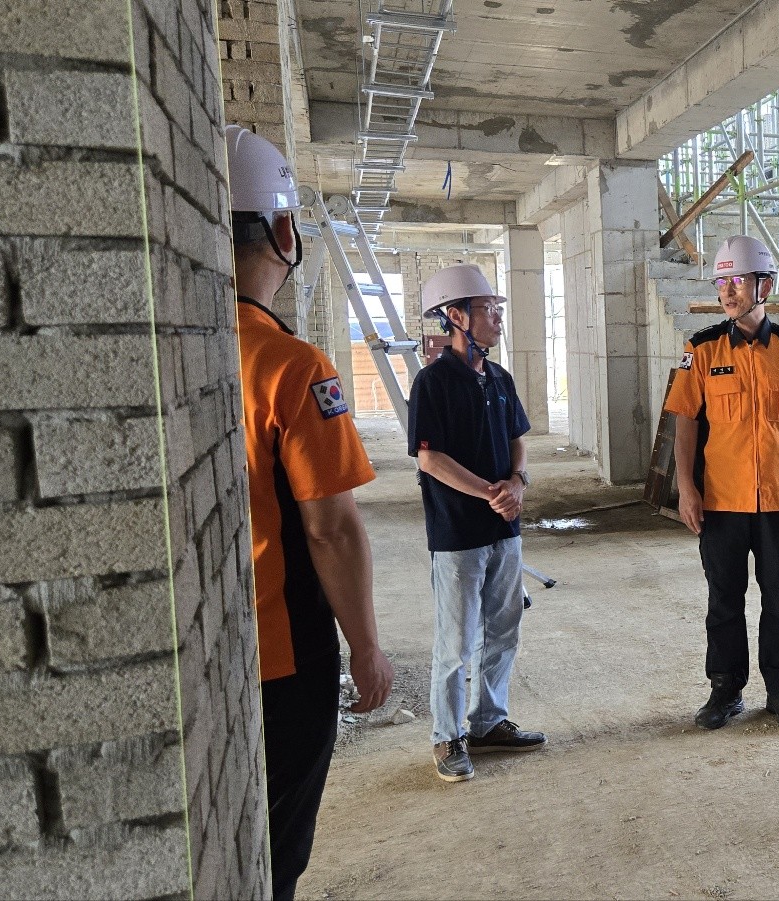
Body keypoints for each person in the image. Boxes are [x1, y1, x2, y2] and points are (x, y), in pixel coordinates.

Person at [227, 124, 393, 901]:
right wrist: (366, 645)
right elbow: (331, 528)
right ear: (284, 232)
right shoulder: (292, 366)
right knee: (278, 851)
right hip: (284, 655)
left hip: (209, 651)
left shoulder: (179, 350)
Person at [663, 235, 779, 731]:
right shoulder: (701, 350)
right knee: (724, 600)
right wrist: (687, 489)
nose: (728, 291)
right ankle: (725, 690)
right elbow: (685, 421)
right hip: (721, 501)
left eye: (738, 281)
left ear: (765, 286)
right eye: (722, 282)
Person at [409, 263, 543, 783]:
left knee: (503, 630)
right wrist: (491, 493)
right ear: (456, 316)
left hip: (504, 531)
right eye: (488, 309)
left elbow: (517, 439)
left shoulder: (500, 379)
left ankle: (487, 722)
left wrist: (517, 482)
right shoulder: (433, 382)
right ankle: (447, 736)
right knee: (457, 642)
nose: (498, 318)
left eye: (497, 309)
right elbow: (430, 459)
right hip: (459, 533)